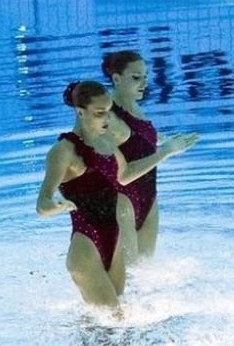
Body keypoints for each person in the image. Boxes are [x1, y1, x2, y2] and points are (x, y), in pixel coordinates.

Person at [36, 80, 197, 307]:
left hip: (113, 243)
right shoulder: (63, 151)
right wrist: (58, 206)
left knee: (115, 325)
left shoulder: (107, 142)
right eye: (100, 113)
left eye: (109, 111)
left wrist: (167, 151)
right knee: (114, 321)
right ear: (80, 112)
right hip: (86, 248)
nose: (107, 118)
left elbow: (125, 174)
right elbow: (42, 204)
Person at [102, 50, 196, 262]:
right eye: (136, 78)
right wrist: (167, 151)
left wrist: (157, 138)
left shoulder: (134, 105)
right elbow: (122, 175)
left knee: (144, 273)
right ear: (116, 79)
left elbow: (134, 138)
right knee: (128, 280)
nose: (144, 83)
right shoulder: (108, 117)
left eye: (145, 76)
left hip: (148, 198)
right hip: (122, 201)